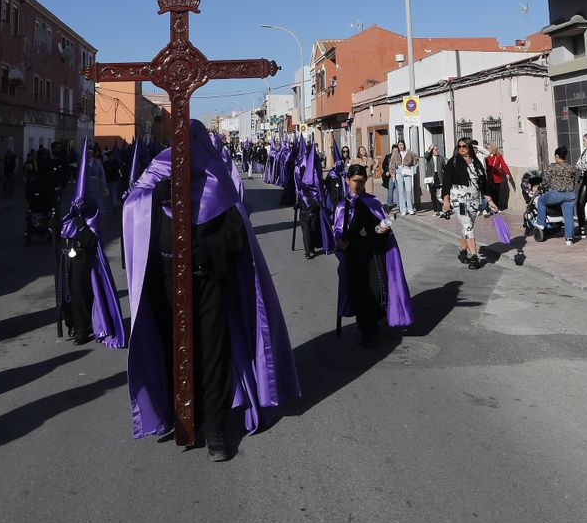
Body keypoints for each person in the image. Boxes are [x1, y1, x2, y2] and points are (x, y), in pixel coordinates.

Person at [123, 120, 299, 462]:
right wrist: (154, 197)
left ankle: (215, 427)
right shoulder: (157, 172)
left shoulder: (216, 177)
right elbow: (132, 206)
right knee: (173, 351)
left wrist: (208, 249)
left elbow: (237, 235)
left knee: (212, 353)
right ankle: (185, 418)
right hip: (164, 281)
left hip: (206, 281)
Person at [334, 165, 412, 348]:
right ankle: (366, 330)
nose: (359, 184)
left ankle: (374, 320)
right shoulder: (342, 205)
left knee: (378, 291)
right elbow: (337, 230)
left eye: (362, 181)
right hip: (355, 258)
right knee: (361, 293)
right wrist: (340, 241)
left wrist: (383, 229)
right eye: (355, 181)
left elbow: (380, 224)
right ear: (348, 180)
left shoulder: (373, 201)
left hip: (374, 255)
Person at [59, 146, 126, 348]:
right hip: (69, 260)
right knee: (68, 293)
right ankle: (73, 322)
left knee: (80, 293)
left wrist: (81, 224)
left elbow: (91, 239)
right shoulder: (69, 216)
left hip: (83, 260)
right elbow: (63, 234)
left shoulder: (91, 215)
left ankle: (83, 328)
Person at [440, 138, 500, 269]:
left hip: (474, 199)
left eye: (465, 146)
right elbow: (446, 182)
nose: (461, 148)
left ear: (470, 148)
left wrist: (489, 201)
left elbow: (483, 183)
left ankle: (462, 252)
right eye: (459, 146)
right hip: (458, 199)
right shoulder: (453, 162)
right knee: (467, 225)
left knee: (468, 227)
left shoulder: (476, 162)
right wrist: (446, 201)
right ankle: (474, 257)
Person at [536, 148, 579, 246]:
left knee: (541, 201)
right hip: (569, 195)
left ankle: (541, 225)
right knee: (569, 217)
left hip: (556, 195)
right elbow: (573, 182)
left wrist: (540, 186)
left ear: (556, 156)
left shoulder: (552, 167)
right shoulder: (571, 168)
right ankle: (569, 239)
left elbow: (545, 181)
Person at [388, 140, 418, 216]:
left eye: (402, 145)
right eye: (399, 145)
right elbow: (392, 164)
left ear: (404, 145)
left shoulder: (409, 152)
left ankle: (410, 208)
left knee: (408, 190)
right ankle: (403, 209)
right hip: (399, 171)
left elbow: (416, 158)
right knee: (401, 192)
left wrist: (411, 163)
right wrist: (393, 174)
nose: (400, 146)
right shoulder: (395, 154)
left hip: (407, 170)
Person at [484, 142, 511, 212]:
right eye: (487, 148)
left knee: (497, 193)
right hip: (489, 178)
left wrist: (507, 173)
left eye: (489, 148)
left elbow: (503, 164)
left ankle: (497, 207)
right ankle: (490, 207)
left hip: (497, 177)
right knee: (489, 192)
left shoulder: (499, 156)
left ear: (493, 148)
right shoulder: (486, 157)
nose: (488, 149)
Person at [422, 144, 444, 213]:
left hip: (439, 176)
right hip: (431, 177)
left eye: (438, 149)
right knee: (433, 195)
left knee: (439, 195)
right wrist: (429, 148)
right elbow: (425, 155)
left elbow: (444, 168)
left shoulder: (441, 158)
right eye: (436, 149)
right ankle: (435, 210)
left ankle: (440, 210)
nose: (438, 151)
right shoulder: (429, 158)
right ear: (432, 150)